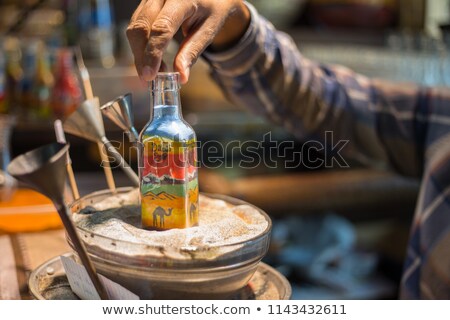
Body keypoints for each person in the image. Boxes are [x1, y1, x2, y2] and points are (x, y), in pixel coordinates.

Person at [127, 0, 450, 299]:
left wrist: (234, 188)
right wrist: (235, 24)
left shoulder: (177, 133)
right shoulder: (441, 118)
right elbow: (326, 101)